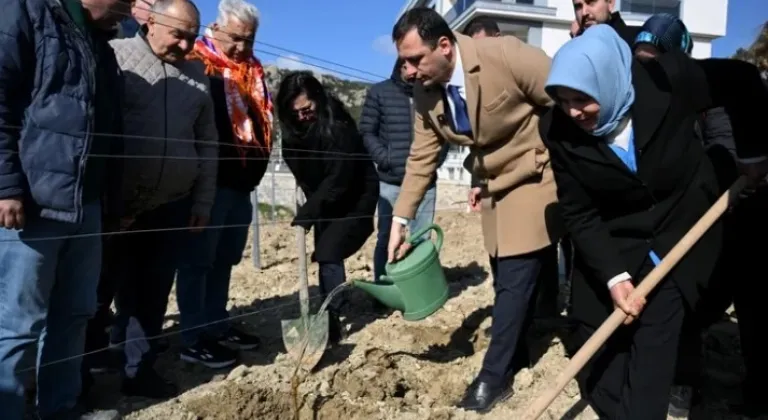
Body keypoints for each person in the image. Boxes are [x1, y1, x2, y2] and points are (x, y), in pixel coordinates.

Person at [540, 24, 768, 419]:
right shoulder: (557, 129)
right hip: (618, 237)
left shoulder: (669, 79)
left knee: (653, 355)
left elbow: (743, 80)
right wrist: (615, 277)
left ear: (609, 81)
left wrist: (752, 154)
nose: (573, 111)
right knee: (596, 357)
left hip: (681, 227)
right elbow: (579, 212)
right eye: (563, 100)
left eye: (582, 99)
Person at [387, 8, 563, 413]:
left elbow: (565, 97)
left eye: (415, 59)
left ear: (445, 46)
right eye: (403, 62)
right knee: (504, 275)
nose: (409, 71)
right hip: (491, 186)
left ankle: (494, 377)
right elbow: (421, 158)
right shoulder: (425, 93)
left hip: (536, 176)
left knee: (516, 277)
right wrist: (401, 219)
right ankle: (519, 354)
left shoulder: (506, 55)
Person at [0, 0, 126, 416]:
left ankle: (60, 408)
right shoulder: (26, 12)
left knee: (74, 315)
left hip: (85, 205)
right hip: (32, 204)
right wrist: (6, 186)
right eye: (122, 3)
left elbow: (108, 130)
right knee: (19, 324)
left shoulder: (101, 47)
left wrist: (109, 199)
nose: (126, 14)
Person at [107, 0, 218, 398]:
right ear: (151, 22)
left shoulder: (198, 75)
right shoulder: (116, 58)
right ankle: (79, 376)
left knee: (151, 296)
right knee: (95, 296)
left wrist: (202, 203)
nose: (187, 45)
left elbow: (207, 143)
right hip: (114, 208)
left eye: (193, 36)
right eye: (178, 34)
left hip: (171, 205)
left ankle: (139, 371)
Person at [177, 0, 272, 369]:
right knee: (198, 261)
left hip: (242, 183)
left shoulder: (253, 71)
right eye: (236, 39)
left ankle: (216, 325)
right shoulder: (198, 63)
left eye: (249, 41)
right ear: (216, 28)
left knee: (224, 260)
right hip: (209, 182)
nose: (242, 48)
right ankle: (191, 336)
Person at [277, 71, 379, 343]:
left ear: (318, 101)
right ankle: (335, 305)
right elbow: (301, 167)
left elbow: (339, 178)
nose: (301, 116)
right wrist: (311, 201)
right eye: (294, 112)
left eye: (307, 109)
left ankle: (331, 316)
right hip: (324, 198)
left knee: (327, 251)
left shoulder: (338, 126)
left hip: (355, 195)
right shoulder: (293, 130)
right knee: (327, 253)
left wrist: (308, 214)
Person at [359, 58, 448, 288]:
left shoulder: (433, 93)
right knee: (387, 237)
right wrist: (384, 159)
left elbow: (445, 131)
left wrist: (434, 161)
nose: (416, 72)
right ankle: (385, 287)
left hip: (425, 183)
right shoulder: (379, 92)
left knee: (421, 238)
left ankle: (420, 289)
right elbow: (367, 132)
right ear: (401, 66)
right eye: (411, 67)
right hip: (391, 181)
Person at [571, 0, 638, 43]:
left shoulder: (636, 45)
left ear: (610, 3)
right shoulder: (575, 43)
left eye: (590, 2)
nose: (584, 13)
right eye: (578, 7)